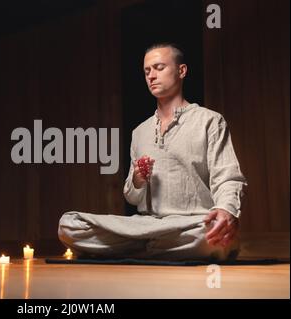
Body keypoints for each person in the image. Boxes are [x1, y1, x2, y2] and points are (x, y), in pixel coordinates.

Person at [57, 43, 248, 261]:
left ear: (181, 71)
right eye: (147, 71)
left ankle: (137, 249)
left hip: (194, 223)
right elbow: (132, 196)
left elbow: (229, 177)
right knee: (69, 225)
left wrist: (226, 211)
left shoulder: (209, 121)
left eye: (159, 67)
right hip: (147, 224)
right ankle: (154, 248)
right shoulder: (140, 132)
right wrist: (137, 180)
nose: (151, 76)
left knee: (211, 234)